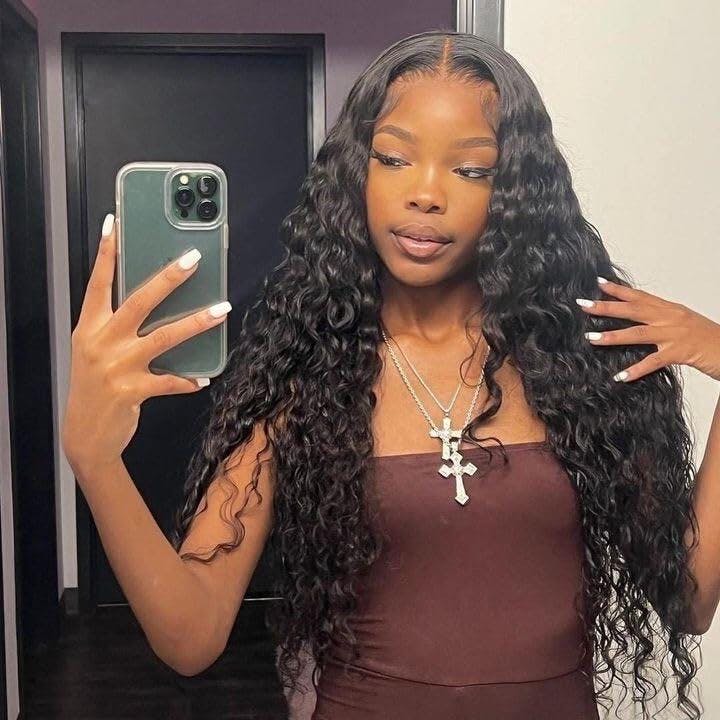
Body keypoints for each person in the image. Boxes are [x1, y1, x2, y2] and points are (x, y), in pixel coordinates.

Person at [61, 30, 720, 720]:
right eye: (394, 158)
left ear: (515, 192)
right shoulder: (301, 372)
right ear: (358, 172)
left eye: (472, 170)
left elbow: (690, 600)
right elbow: (190, 637)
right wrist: (95, 460)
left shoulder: (584, 361)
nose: (426, 194)